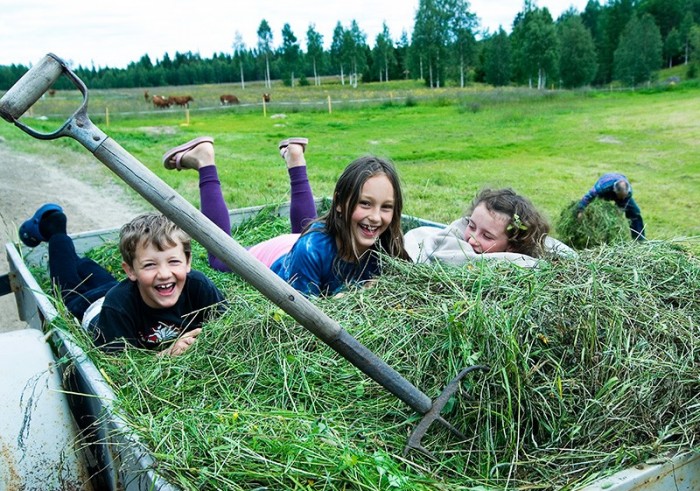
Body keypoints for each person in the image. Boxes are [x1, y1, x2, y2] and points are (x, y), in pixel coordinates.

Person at [162, 136, 409, 297]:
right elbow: (305, 315)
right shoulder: (311, 248)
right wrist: (353, 296)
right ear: (340, 203)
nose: (376, 217)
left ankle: (295, 156)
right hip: (274, 257)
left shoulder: (387, 245)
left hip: (304, 243)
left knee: (307, 233)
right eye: (365, 203)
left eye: (386, 207)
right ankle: (205, 160)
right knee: (221, 260)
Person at [19, 205, 226, 355]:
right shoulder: (117, 306)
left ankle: (73, 254)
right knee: (64, 275)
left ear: (188, 261)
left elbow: (227, 328)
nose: (164, 273)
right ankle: (54, 226)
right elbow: (123, 368)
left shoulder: (198, 285)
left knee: (83, 265)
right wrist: (166, 355)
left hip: (117, 287)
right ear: (130, 270)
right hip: (88, 307)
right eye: (150, 264)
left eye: (173, 261)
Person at [404, 188, 573, 268]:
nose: (472, 238)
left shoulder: (516, 264)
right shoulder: (454, 240)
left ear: (511, 246)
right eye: (472, 226)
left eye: (487, 236)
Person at [576, 173, 645, 241]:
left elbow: (623, 205)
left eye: (624, 196)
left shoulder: (628, 192)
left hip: (619, 188)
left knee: (635, 212)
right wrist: (580, 211)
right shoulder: (602, 187)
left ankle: (639, 239)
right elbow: (588, 197)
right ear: (615, 191)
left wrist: (618, 212)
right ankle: (594, 234)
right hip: (606, 190)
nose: (622, 198)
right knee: (597, 210)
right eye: (621, 196)